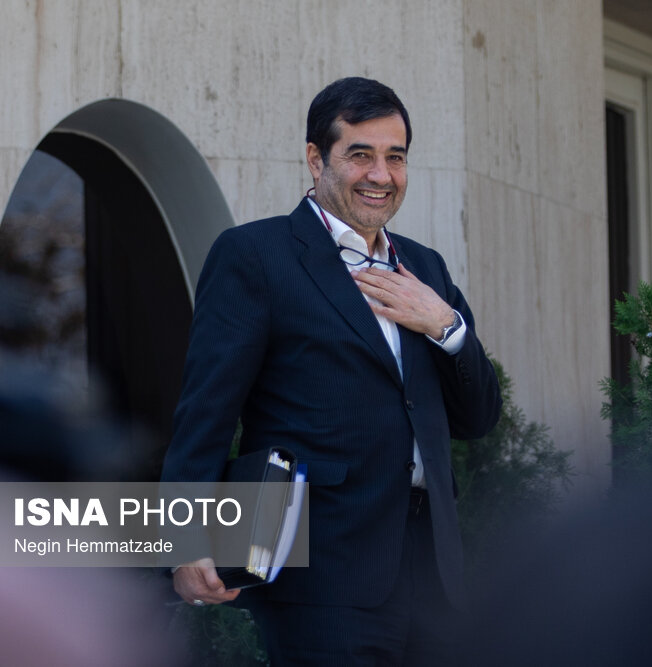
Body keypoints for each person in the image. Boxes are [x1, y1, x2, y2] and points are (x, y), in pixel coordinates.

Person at [161, 76, 502, 665]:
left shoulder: (426, 268)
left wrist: (446, 325)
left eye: (395, 157)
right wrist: (185, 538)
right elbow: (206, 412)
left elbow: (478, 419)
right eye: (360, 155)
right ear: (316, 158)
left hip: (434, 578)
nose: (381, 175)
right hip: (321, 578)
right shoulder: (255, 256)